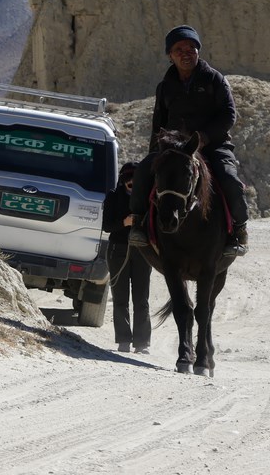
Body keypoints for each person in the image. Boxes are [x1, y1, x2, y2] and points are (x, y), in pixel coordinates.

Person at [128, 25, 249, 257]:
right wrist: (156, 153)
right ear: (170, 55)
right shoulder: (165, 87)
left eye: (191, 48)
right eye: (179, 49)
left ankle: (240, 231)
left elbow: (228, 115)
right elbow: (159, 123)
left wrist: (204, 137)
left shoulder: (214, 79)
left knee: (229, 178)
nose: (186, 52)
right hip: (174, 149)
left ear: (198, 51)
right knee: (142, 171)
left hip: (213, 145)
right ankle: (138, 224)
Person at [102, 161, 152, 354]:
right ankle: (123, 340)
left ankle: (142, 343)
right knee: (120, 298)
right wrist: (124, 222)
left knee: (141, 299)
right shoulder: (113, 197)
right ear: (123, 181)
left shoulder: (148, 198)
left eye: (135, 182)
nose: (131, 185)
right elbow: (107, 226)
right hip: (118, 250)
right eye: (128, 182)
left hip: (142, 251)